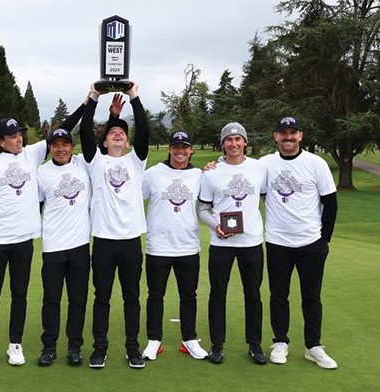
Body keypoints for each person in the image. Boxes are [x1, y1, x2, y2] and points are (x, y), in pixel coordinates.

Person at [79, 82, 149, 369]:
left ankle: (133, 349)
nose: (117, 134)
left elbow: (144, 129)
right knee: (102, 298)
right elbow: (84, 132)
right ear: (104, 142)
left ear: (128, 142)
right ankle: (100, 348)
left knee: (132, 297)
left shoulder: (137, 161)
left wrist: (134, 97)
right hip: (104, 241)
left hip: (131, 240)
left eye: (122, 133)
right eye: (112, 133)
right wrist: (94, 97)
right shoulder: (96, 163)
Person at [260, 116, 338, 369]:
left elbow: (331, 203)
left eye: (293, 133)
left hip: (311, 243)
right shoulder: (265, 164)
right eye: (283, 133)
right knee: (279, 295)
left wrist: (324, 240)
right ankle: (280, 341)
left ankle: (313, 346)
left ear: (301, 136)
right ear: (276, 136)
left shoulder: (316, 163)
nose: (288, 137)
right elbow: (249, 184)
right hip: (277, 242)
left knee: (311, 297)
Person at [0, 117, 47, 367]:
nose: (19, 139)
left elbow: (64, 129)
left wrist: (89, 99)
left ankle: (15, 343)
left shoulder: (31, 154)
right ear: (1, 141)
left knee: (20, 293)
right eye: (14, 136)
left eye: (20, 135)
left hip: (24, 239)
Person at [198, 122, 267, 365]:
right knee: (218, 295)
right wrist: (215, 226)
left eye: (238, 140)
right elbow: (204, 209)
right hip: (221, 243)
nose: (234, 144)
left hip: (252, 242)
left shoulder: (259, 168)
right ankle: (217, 345)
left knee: (253, 295)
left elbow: (267, 197)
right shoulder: (212, 173)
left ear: (245, 143)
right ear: (223, 144)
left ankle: (255, 345)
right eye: (229, 140)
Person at [141, 130, 209, 362]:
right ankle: (154, 341)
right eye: (176, 147)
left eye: (185, 147)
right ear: (169, 149)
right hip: (158, 246)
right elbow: (133, 199)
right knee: (155, 295)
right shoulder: (152, 174)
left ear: (191, 150)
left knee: (188, 295)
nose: (180, 151)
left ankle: (189, 340)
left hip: (188, 246)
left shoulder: (200, 175)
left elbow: (212, 198)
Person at [35, 97, 92, 366]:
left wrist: (90, 102)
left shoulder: (84, 164)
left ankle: (75, 345)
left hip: (80, 244)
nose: (60, 149)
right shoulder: (41, 172)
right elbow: (33, 206)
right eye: (55, 145)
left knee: (78, 299)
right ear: (50, 148)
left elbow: (90, 132)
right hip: (53, 246)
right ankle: (49, 346)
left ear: (72, 146)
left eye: (65, 144)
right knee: (52, 299)